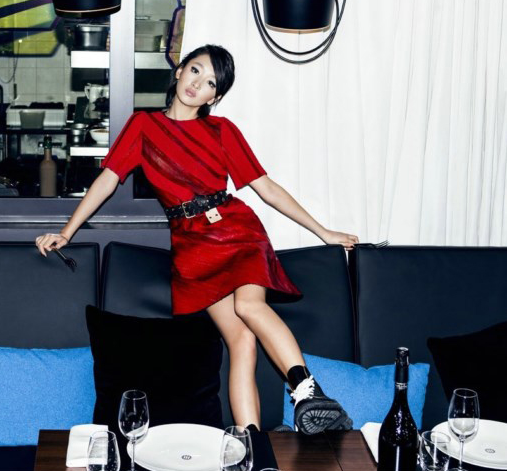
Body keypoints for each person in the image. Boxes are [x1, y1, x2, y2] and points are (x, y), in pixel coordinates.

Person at [36, 44, 359, 434]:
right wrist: (67, 232)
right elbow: (107, 181)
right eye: (195, 70)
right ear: (179, 71)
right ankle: (252, 444)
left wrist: (324, 231)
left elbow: (267, 188)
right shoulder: (143, 126)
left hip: (237, 231)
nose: (197, 84)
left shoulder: (222, 130)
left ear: (214, 98)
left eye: (210, 83)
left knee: (250, 307)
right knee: (241, 341)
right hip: (194, 248)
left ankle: (306, 392)